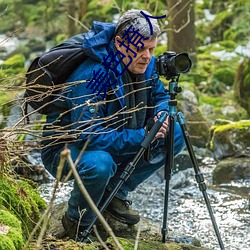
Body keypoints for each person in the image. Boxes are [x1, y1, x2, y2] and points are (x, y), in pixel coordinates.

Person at [41, 9, 185, 241]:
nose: (147, 56)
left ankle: (115, 193)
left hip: (117, 136)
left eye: (152, 49)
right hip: (67, 150)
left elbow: (159, 96)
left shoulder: (145, 64)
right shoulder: (94, 76)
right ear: (119, 43)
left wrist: (161, 114)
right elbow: (87, 135)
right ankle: (76, 221)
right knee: (100, 164)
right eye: (140, 48)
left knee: (175, 132)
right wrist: (142, 136)